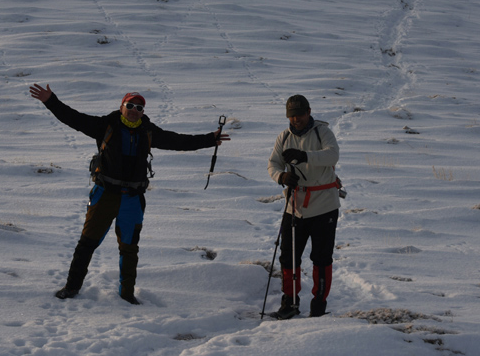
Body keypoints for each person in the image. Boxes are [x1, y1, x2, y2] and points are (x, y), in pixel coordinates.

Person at [30, 84, 229, 303]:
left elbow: (178, 141)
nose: (134, 110)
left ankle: (127, 295)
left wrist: (210, 139)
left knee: (129, 248)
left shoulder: (149, 132)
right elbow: (73, 118)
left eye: (139, 108)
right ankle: (72, 287)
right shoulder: (105, 125)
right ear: (122, 106)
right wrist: (51, 101)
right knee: (87, 243)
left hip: (132, 199)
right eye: (130, 105)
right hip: (104, 195)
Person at [267, 95, 342, 319]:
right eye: (291, 115)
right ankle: (290, 303)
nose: (295, 119)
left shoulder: (323, 132)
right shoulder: (284, 137)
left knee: (321, 258)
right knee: (288, 257)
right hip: (295, 207)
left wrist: (304, 156)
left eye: (299, 114)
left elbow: (333, 155)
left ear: (309, 111)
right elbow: (273, 164)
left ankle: (318, 305)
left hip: (325, 206)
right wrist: (281, 177)